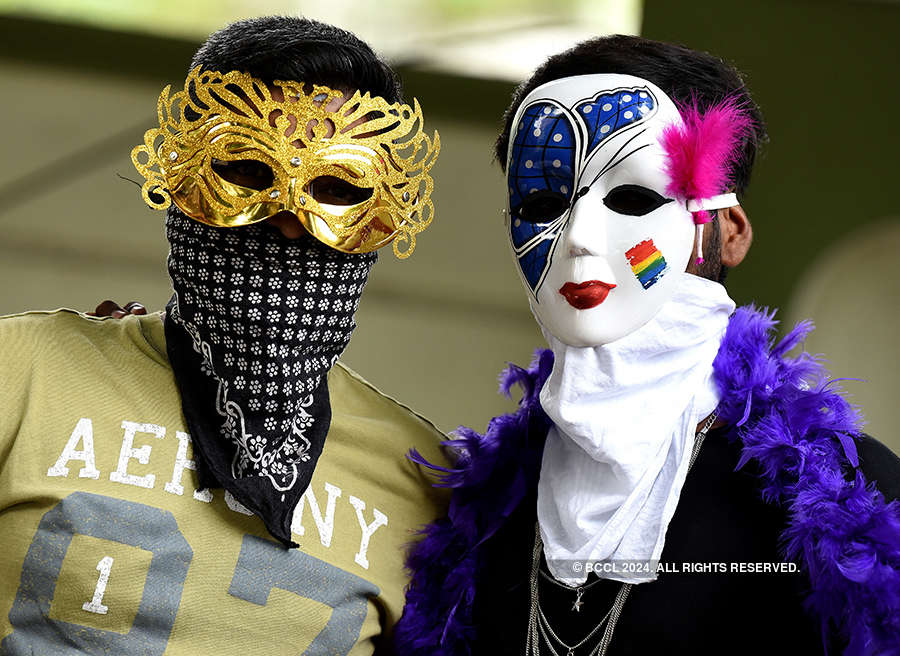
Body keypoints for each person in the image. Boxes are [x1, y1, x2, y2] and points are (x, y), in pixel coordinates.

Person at [395, 35, 900, 655]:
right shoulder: (481, 510)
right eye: (544, 202)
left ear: (728, 232)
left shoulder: (848, 500)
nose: (578, 237)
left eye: (633, 199)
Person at [0, 16, 447, 655]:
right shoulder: (20, 373)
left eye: (335, 187)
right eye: (247, 170)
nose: (290, 218)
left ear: (382, 216)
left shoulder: (423, 481)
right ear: (178, 179)